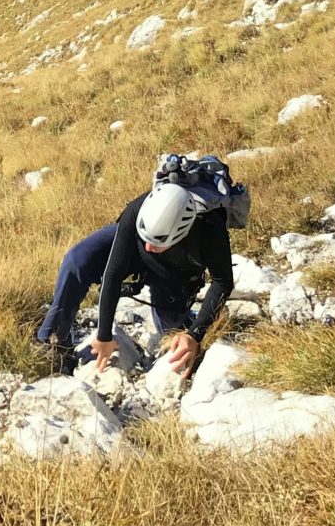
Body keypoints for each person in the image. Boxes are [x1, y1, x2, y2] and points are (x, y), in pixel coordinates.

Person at [34, 154, 249, 378]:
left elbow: (223, 282)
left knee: (172, 336)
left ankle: (189, 320)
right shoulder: (138, 208)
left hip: (177, 273)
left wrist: (194, 335)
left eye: (156, 243)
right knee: (77, 261)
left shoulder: (210, 231)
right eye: (147, 239)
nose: (149, 247)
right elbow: (113, 273)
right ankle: (54, 342)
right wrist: (104, 335)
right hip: (130, 247)